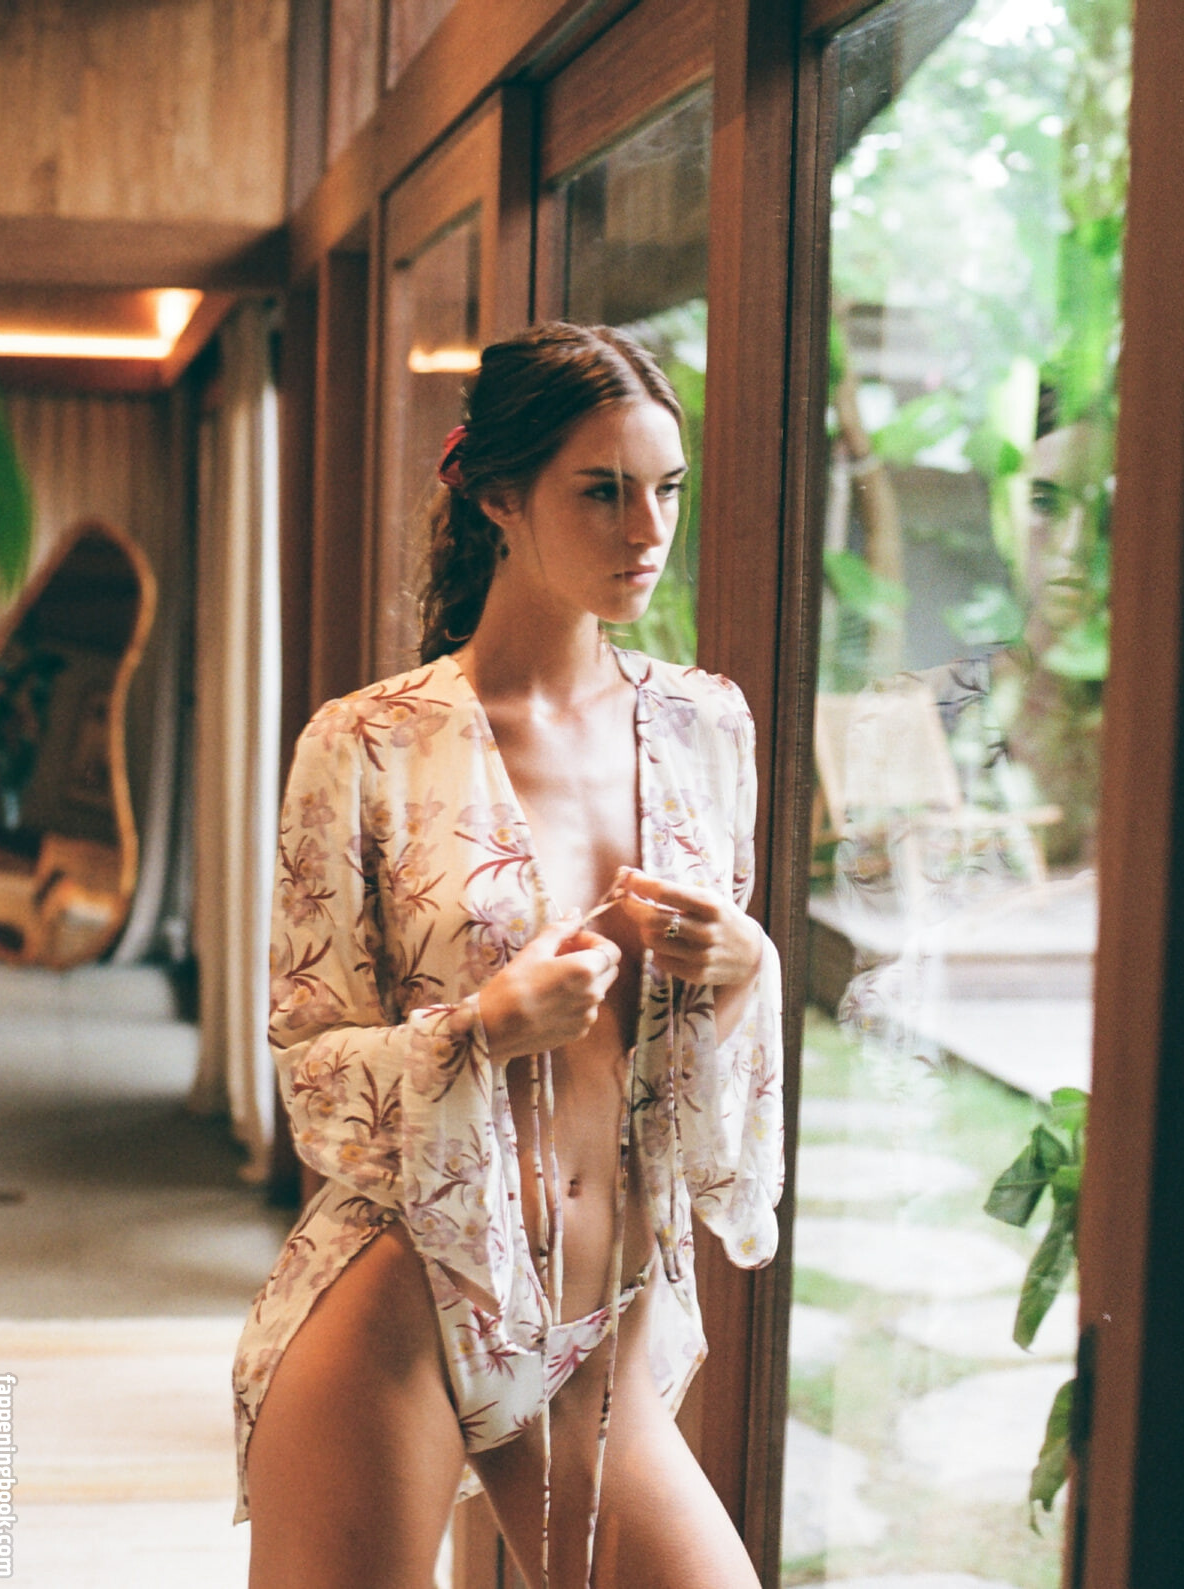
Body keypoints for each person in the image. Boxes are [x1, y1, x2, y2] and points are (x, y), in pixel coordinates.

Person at [233, 321, 784, 1589]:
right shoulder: (365, 744)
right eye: (602, 490)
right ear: (496, 496)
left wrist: (741, 964)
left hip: (600, 1322)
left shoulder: (705, 726)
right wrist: (481, 1024)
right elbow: (309, 1068)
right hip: (406, 1302)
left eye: (667, 488)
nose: (647, 527)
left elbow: (699, 1075)